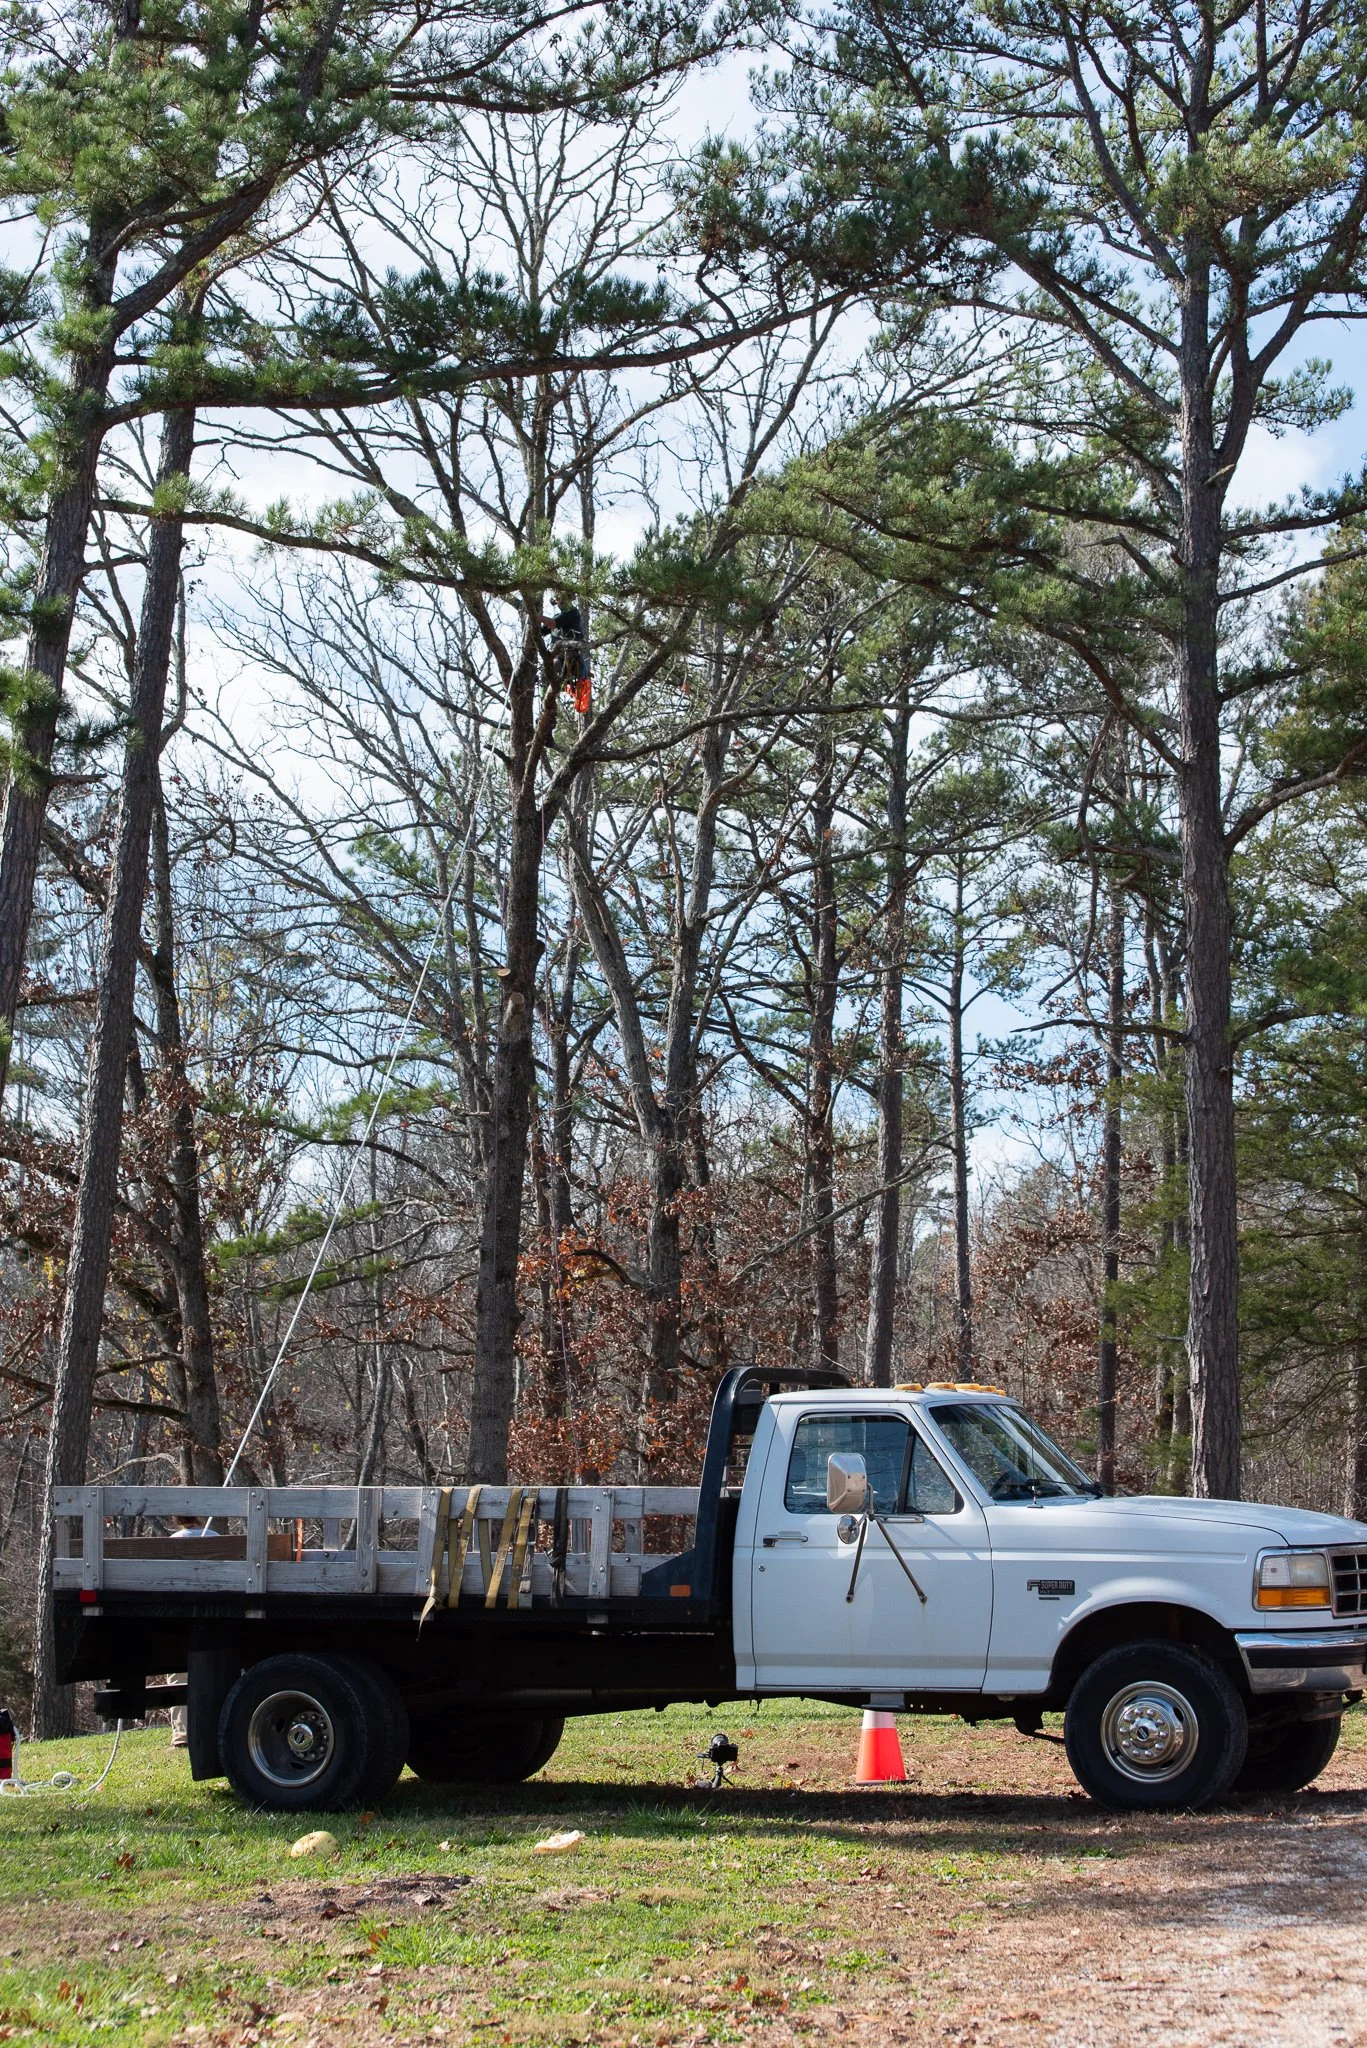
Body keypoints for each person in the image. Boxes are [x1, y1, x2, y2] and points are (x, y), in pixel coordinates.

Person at [543, 595, 591, 714]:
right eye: (559, 599)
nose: (561, 602)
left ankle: (562, 686)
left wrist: (536, 616)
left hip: (570, 654)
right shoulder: (559, 616)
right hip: (558, 655)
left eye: (564, 599)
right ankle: (547, 707)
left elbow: (553, 623)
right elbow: (544, 630)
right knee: (545, 672)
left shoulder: (572, 612)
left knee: (556, 665)